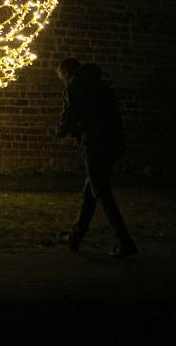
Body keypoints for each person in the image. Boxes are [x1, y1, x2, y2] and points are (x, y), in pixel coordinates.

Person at [54, 57, 137, 259]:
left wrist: (60, 130)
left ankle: (125, 242)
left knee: (101, 192)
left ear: (66, 73)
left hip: (95, 144)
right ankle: (75, 237)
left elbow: (70, 115)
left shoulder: (74, 87)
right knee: (91, 191)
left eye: (61, 77)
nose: (63, 81)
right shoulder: (100, 84)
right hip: (113, 142)